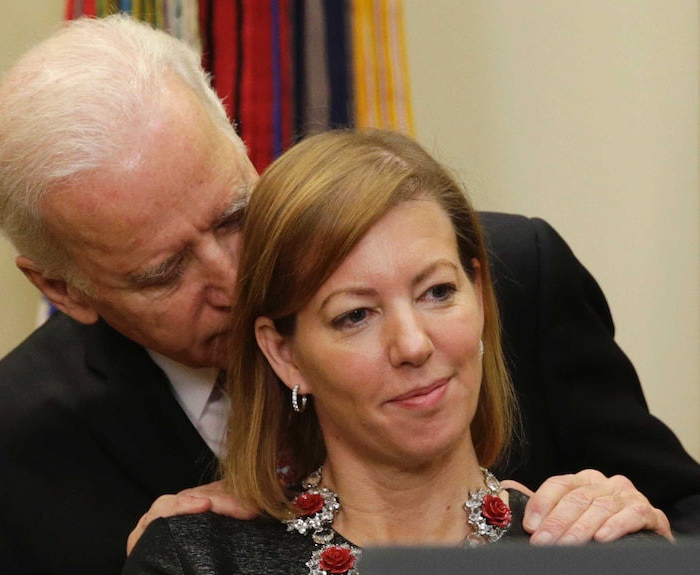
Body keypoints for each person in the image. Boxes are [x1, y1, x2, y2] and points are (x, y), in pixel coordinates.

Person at [0, 14, 698, 575]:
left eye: (233, 213)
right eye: (164, 272)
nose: (232, 274)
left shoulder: (513, 273)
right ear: (64, 288)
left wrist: (640, 531)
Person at [124, 128, 667, 575]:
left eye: (438, 292)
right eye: (354, 315)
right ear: (284, 354)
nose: (412, 344)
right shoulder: (196, 562)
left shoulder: (598, 548)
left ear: (479, 294)